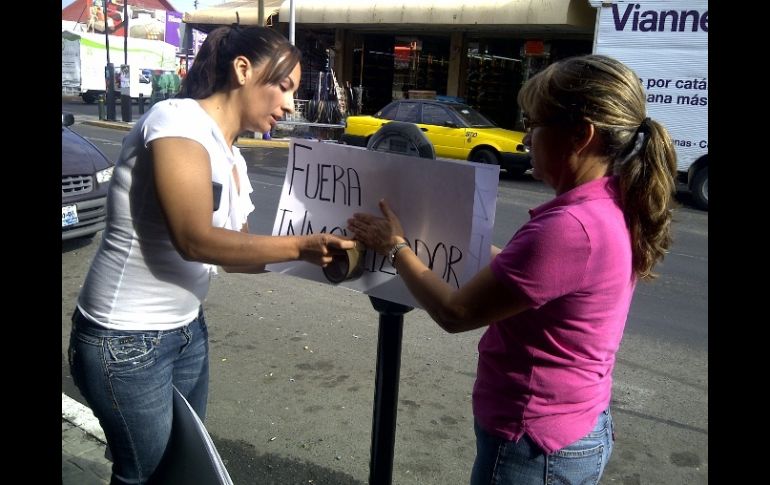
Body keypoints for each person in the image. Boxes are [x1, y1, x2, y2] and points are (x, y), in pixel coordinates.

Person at [347, 54, 677, 485]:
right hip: (571, 426)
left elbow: (455, 313)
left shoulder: (569, 228)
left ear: (580, 135)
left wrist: (395, 248)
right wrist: (457, 230)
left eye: (534, 122)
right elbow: (527, 275)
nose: (525, 136)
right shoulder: (607, 203)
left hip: (534, 445)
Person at [68, 25, 354, 485]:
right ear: (243, 70)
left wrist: (314, 258)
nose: (288, 106)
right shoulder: (177, 120)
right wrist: (301, 244)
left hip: (185, 332)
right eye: (283, 87)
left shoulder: (234, 159)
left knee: (180, 468)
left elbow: (232, 255)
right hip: (123, 341)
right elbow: (194, 239)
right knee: (143, 474)